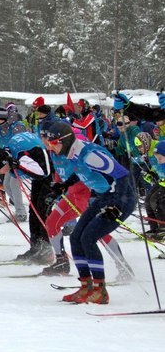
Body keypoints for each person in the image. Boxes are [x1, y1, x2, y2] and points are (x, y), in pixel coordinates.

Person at [45, 121, 136, 304]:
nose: (50, 148)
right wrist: (64, 185)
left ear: (66, 140)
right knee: (76, 237)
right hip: (104, 196)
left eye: (53, 144)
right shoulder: (73, 153)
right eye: (48, 144)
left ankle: (100, 290)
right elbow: (80, 172)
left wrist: (117, 204)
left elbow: (122, 174)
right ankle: (86, 286)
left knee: (89, 237)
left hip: (120, 198)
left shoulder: (91, 155)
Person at [0, 132, 54, 264]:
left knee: (42, 211)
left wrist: (18, 165)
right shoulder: (7, 154)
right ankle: (36, 247)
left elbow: (43, 173)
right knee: (33, 210)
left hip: (49, 176)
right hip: (39, 175)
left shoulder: (22, 157)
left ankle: (47, 250)